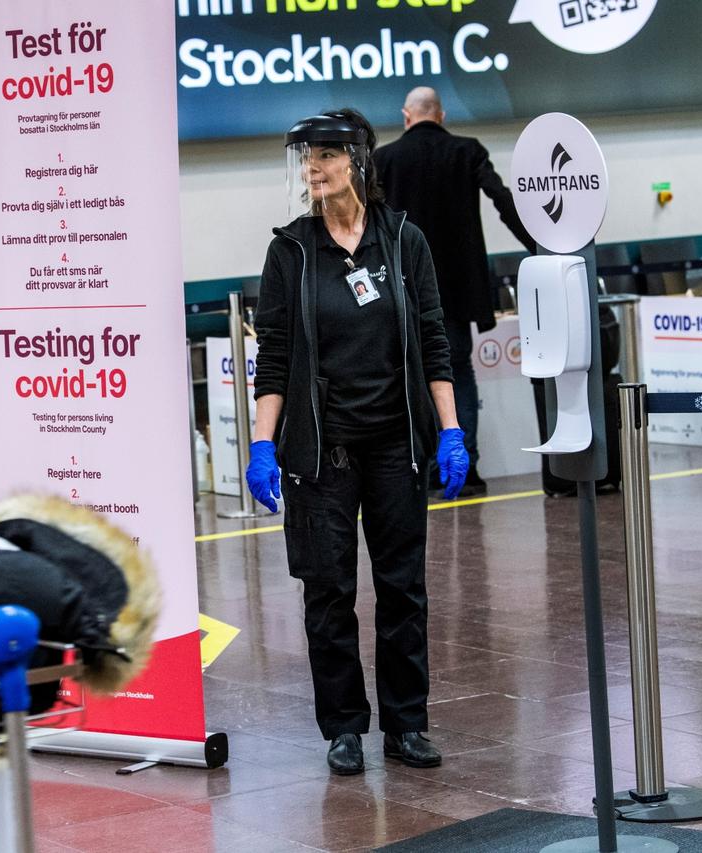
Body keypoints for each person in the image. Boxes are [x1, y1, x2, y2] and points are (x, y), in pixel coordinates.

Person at [245, 109, 468, 776]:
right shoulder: (290, 250)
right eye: (306, 158)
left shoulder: (403, 242)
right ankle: (343, 726)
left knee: (403, 588)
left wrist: (451, 428)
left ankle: (406, 723)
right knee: (328, 590)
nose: (312, 167)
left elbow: (434, 340)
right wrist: (263, 443)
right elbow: (275, 356)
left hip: (396, 444)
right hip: (324, 452)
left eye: (325, 155)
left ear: (358, 161)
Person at [373, 86, 537, 497]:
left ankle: (423, 467)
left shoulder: (385, 159)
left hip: (403, 288)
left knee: (411, 376)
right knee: (457, 371)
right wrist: (540, 246)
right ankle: (466, 467)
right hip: (457, 290)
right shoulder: (468, 151)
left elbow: (368, 222)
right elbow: (503, 200)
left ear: (406, 116)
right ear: (441, 115)